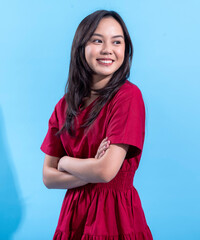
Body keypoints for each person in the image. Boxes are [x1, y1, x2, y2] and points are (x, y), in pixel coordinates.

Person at [41, 10, 153, 240]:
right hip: (73, 217)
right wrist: (91, 167)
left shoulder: (128, 96)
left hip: (115, 217)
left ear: (125, 49)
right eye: (97, 40)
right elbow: (48, 178)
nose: (107, 50)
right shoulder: (64, 105)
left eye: (117, 42)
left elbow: (105, 172)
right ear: (81, 46)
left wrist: (65, 162)